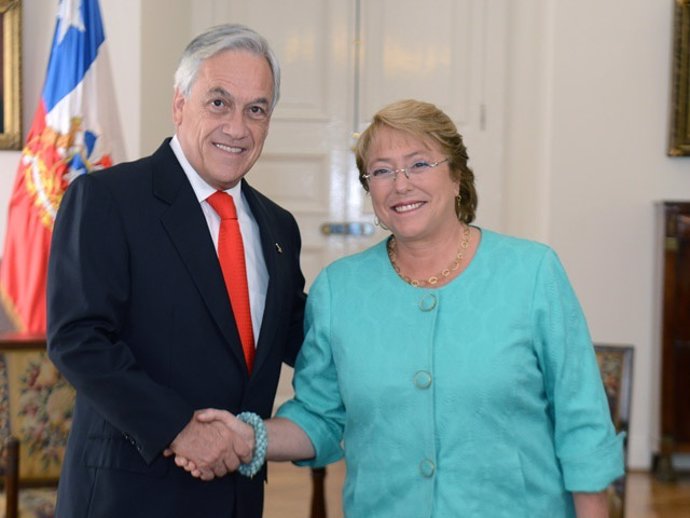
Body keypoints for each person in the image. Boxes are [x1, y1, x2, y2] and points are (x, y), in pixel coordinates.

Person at [184, 99, 625, 517]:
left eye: (419, 163)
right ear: (370, 190)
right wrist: (248, 437)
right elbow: (320, 417)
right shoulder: (340, 290)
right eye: (381, 171)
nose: (401, 183)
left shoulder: (532, 273)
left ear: (456, 177)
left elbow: (582, 419)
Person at [46, 23, 306, 518]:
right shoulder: (107, 200)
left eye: (257, 109)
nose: (238, 127)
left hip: (236, 498)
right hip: (131, 496)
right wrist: (180, 429)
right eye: (218, 102)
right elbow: (78, 339)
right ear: (179, 104)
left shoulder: (278, 226)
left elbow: (299, 335)